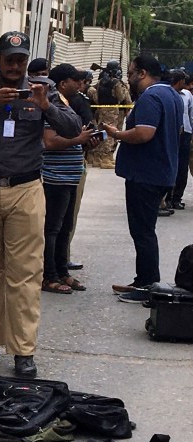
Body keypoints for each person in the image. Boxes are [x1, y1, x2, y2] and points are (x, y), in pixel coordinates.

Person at [0, 31, 81, 379]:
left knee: (25, 274)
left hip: (25, 190)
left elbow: (72, 126)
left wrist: (47, 106)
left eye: (21, 59)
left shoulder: (42, 89)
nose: (16, 65)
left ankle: (23, 351)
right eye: (10, 59)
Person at [102, 54, 184, 303]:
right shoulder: (172, 95)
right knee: (144, 230)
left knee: (143, 231)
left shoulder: (151, 97)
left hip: (146, 174)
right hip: (161, 171)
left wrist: (117, 133)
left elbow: (144, 133)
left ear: (143, 73)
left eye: (131, 73)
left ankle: (148, 285)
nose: (128, 78)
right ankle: (142, 280)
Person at [40, 64, 99, 295]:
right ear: (62, 84)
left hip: (70, 176)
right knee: (52, 229)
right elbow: (49, 142)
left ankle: (62, 271)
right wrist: (79, 139)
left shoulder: (67, 106)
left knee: (65, 227)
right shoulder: (51, 107)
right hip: (56, 177)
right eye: (76, 80)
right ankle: (49, 276)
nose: (80, 84)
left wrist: (87, 140)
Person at [66, 69, 97, 270]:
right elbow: (90, 129)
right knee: (67, 214)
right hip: (68, 166)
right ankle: (60, 258)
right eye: (77, 81)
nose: (80, 85)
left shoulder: (76, 100)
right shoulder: (77, 101)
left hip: (60, 166)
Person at [93, 61, 132, 169]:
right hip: (112, 110)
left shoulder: (100, 82)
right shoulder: (116, 82)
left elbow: (96, 98)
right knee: (110, 133)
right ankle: (105, 159)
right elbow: (121, 97)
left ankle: (97, 158)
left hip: (101, 109)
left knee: (101, 132)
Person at [168, 69, 193, 210]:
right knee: (170, 164)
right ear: (179, 81)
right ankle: (166, 197)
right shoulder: (166, 95)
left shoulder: (188, 95)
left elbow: (191, 115)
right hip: (170, 133)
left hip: (185, 134)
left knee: (182, 167)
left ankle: (177, 198)